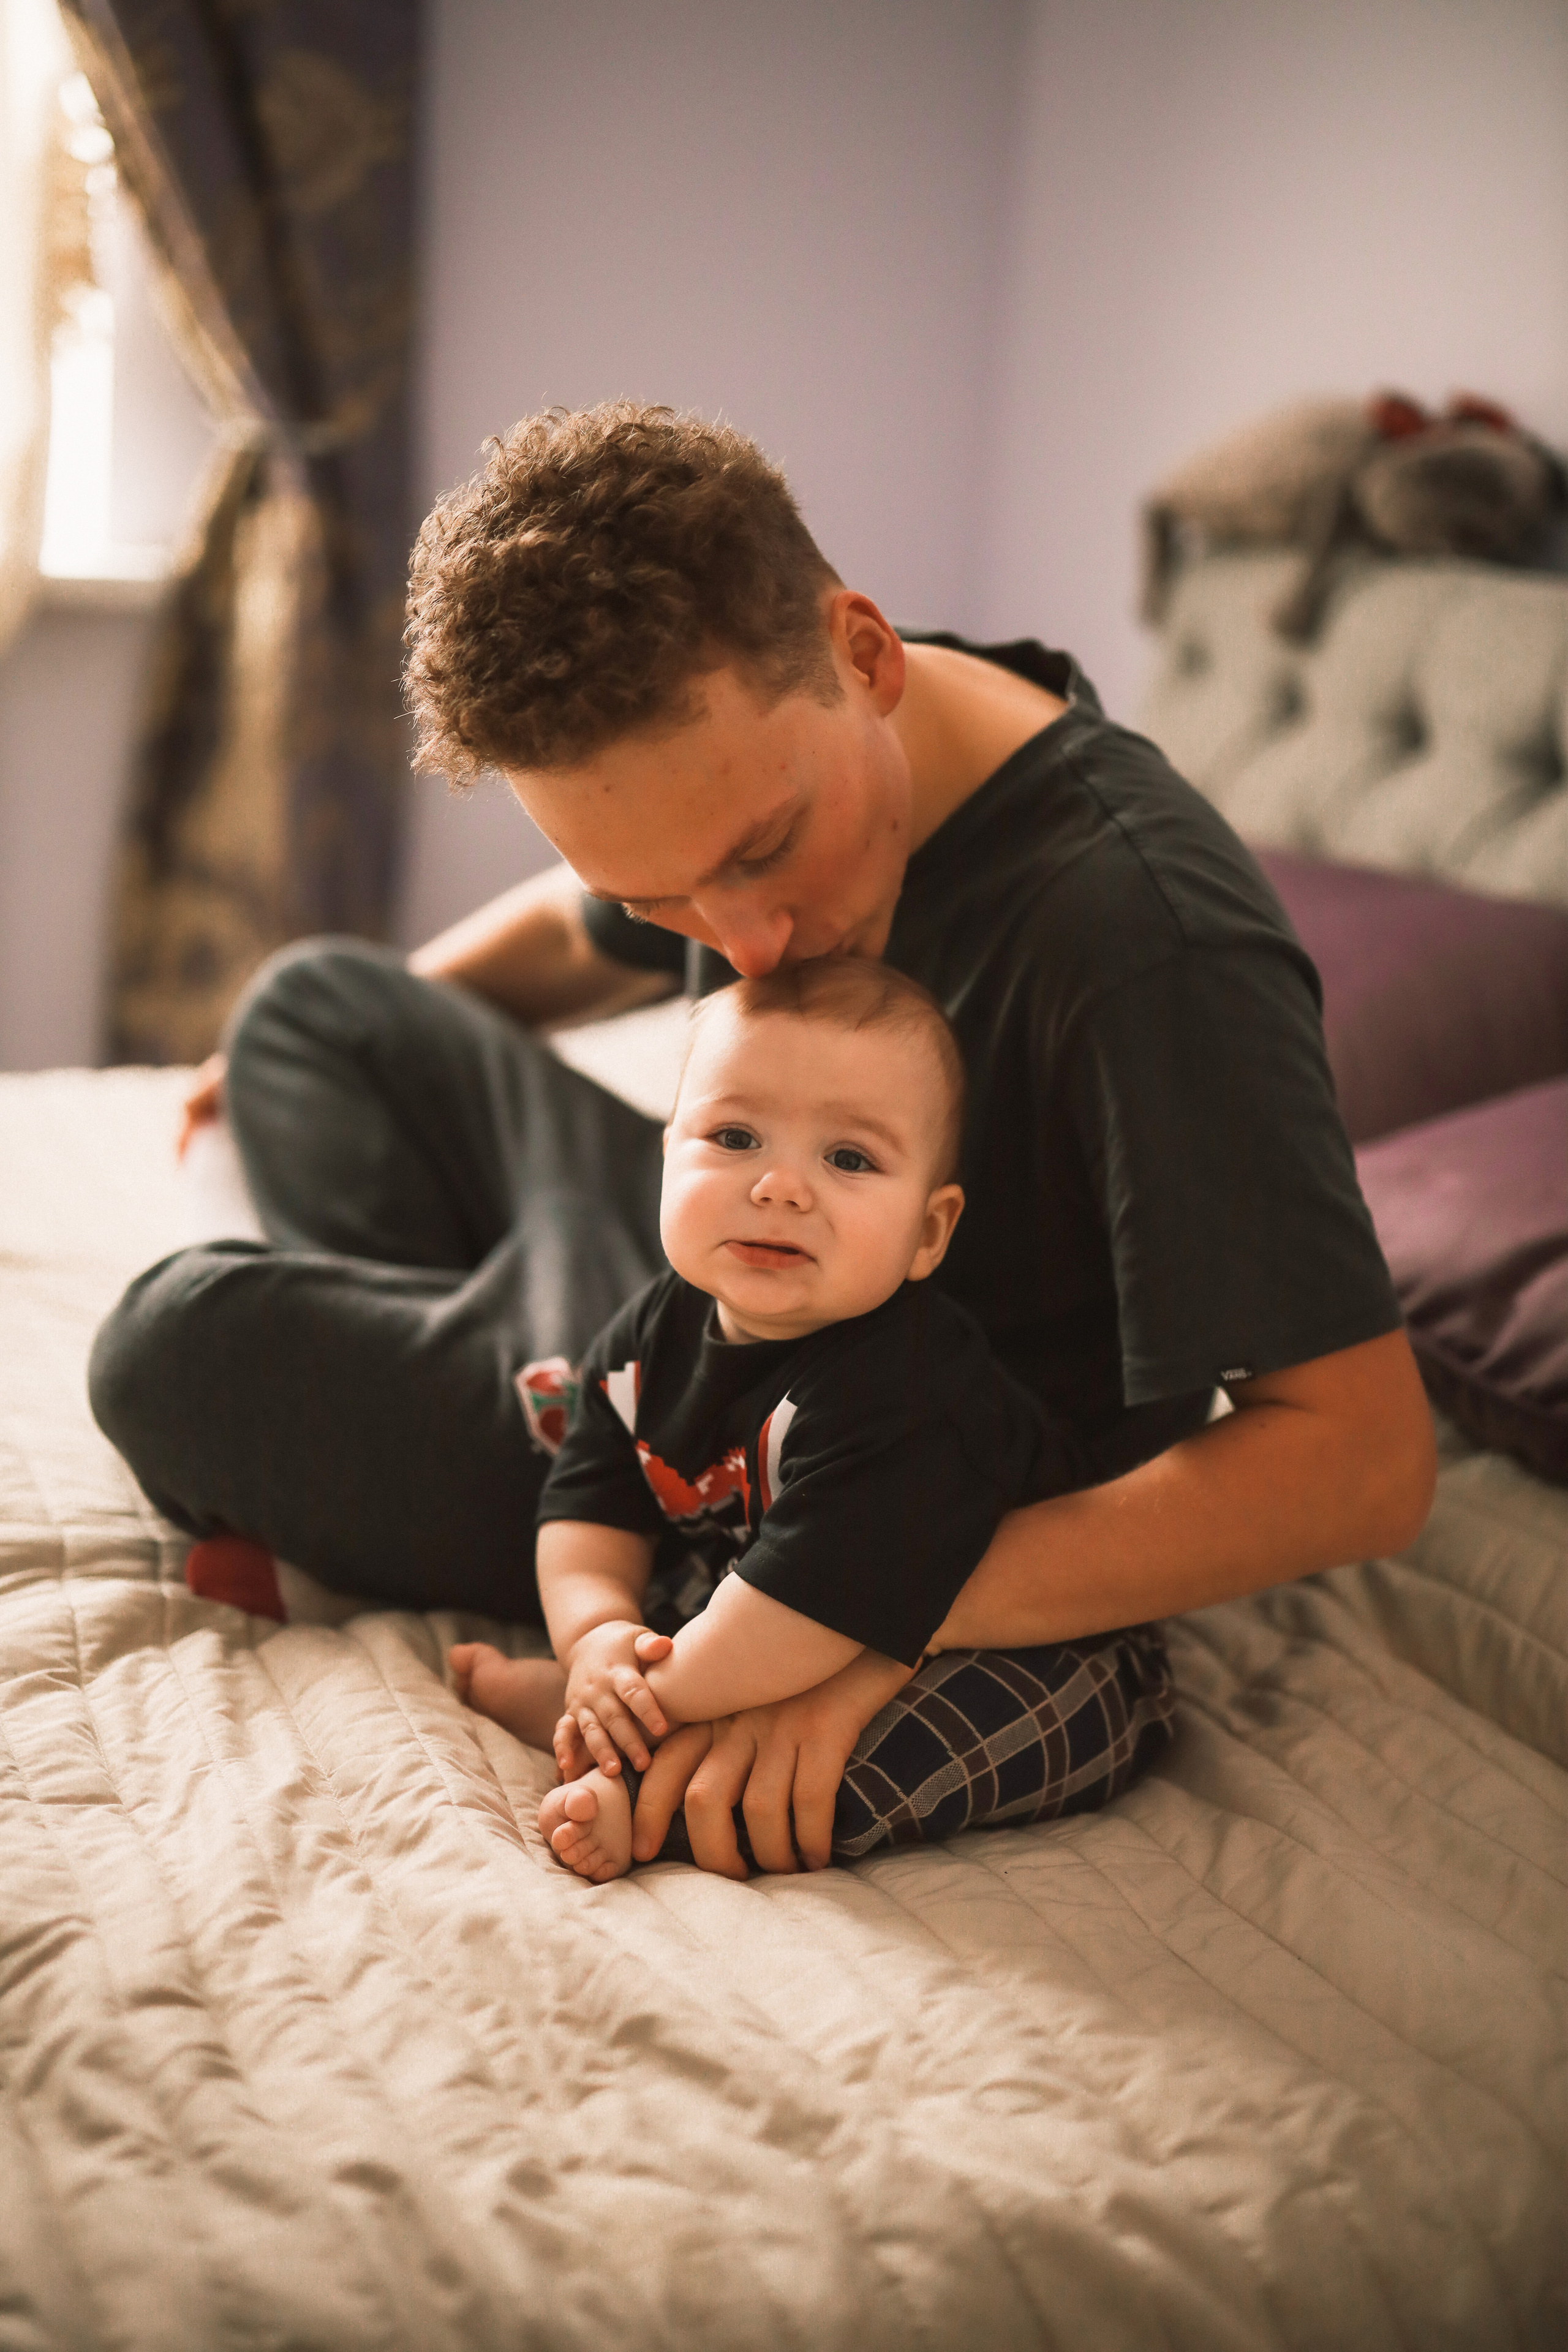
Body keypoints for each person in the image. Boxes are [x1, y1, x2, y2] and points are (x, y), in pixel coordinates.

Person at [89, 400, 1435, 1882]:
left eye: (756, 856)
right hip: (703, 1256)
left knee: (174, 1344)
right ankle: (521, 1344)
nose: (742, 947)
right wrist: (454, 989)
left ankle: (513, 1402)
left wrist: (867, 1599)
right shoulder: (776, 734)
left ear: (863, 654)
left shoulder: (1146, 944)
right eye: (666, 903)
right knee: (313, 1010)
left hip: (818, 1446)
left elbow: (1361, 1463)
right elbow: (575, 919)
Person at [451, 957, 1170, 1882]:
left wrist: (637, 1705)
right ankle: (588, 1705)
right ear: (668, 1157)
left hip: (1036, 1638)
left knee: (870, 1757)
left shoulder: (911, 1388)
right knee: (690, 1599)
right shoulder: (651, 1336)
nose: (781, 1186)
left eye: (849, 1158)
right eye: (736, 1135)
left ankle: (643, 1795)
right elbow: (588, 1502)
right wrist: (595, 1640)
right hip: (794, 1598)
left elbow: (794, 1618)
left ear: (927, 1234)